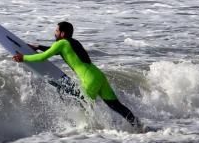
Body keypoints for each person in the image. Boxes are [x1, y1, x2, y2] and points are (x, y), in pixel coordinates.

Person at [13, 21, 143, 129]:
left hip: (90, 79)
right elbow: (54, 50)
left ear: (62, 33)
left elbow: (43, 57)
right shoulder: (72, 42)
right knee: (116, 106)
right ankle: (139, 126)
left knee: (83, 106)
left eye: (56, 31)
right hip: (98, 75)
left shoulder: (61, 43)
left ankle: (92, 131)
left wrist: (23, 58)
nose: (55, 33)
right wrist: (38, 46)